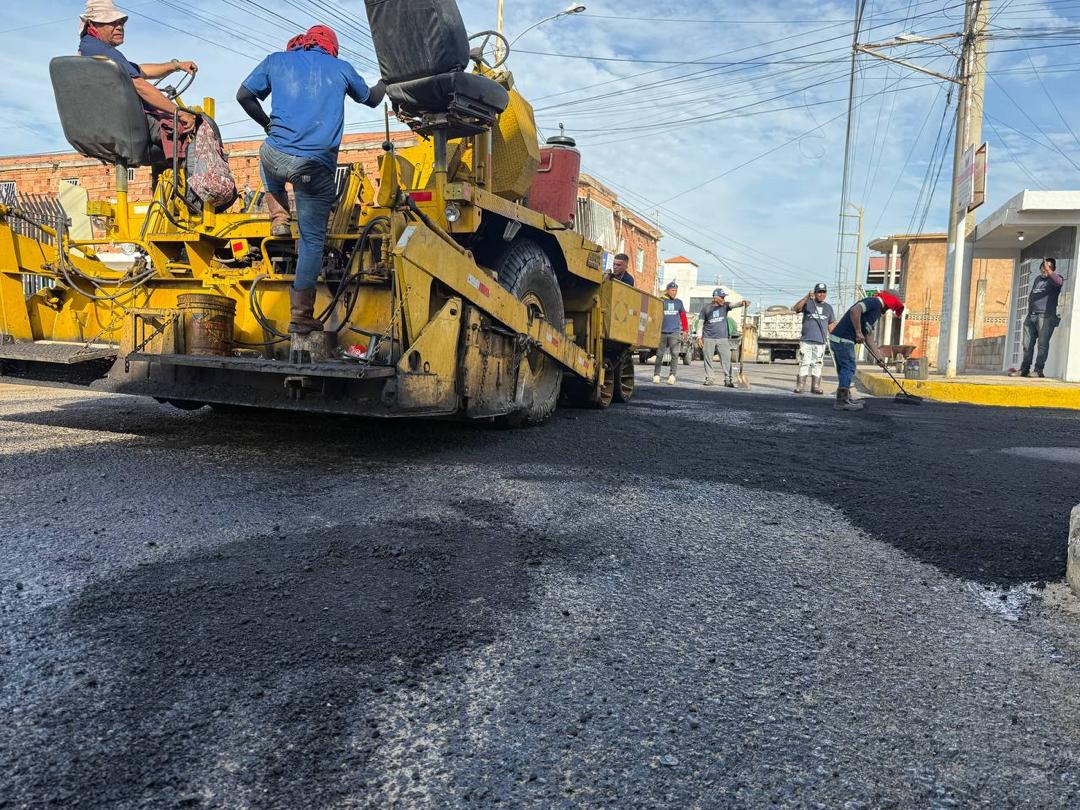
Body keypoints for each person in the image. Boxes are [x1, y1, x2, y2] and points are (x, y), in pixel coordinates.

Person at [237, 26, 385, 334]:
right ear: (331, 46)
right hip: (314, 170)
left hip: (274, 158)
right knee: (311, 242)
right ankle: (301, 315)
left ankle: (278, 217)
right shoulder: (341, 68)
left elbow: (243, 95)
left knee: (267, 153)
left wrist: (267, 124)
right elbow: (371, 99)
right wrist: (387, 80)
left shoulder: (276, 60)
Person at [77, 1, 199, 152]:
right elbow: (141, 86)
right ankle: (205, 175)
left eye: (121, 22)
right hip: (127, 125)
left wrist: (175, 65)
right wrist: (179, 112)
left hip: (108, 125)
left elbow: (139, 70)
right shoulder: (105, 52)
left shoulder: (90, 48)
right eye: (111, 22)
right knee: (197, 129)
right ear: (92, 25)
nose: (119, 27)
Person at [828, 290, 904, 411]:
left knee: (844, 369)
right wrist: (858, 332)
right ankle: (841, 401)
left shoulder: (877, 311)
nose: (889, 310)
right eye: (891, 307)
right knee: (848, 367)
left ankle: (845, 397)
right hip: (843, 339)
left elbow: (868, 336)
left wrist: (878, 357)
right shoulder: (873, 302)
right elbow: (855, 310)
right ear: (889, 302)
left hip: (840, 339)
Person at [1016, 257, 1064, 378]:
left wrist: (1049, 271)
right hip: (1031, 315)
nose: (1045, 269)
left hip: (1045, 316)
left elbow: (1059, 282)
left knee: (1042, 345)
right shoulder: (1037, 278)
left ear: (1053, 269)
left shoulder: (1056, 279)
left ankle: (1038, 370)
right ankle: (1024, 369)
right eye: (1043, 266)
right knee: (1027, 344)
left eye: (1048, 267)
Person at [696, 288, 750, 388]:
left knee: (726, 359)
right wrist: (699, 337)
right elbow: (700, 323)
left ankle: (728, 380)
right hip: (708, 338)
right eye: (721, 297)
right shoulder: (706, 308)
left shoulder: (725, 306)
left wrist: (742, 303)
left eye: (724, 297)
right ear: (715, 298)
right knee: (708, 359)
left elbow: (733, 305)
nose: (723, 299)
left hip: (723, 338)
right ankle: (709, 378)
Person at [792, 282, 836, 394]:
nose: (821, 294)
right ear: (815, 293)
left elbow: (831, 326)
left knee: (818, 363)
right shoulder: (808, 304)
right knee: (804, 362)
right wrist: (806, 297)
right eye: (819, 292)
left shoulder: (828, 308)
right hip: (806, 340)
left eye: (823, 292)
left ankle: (815, 386)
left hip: (820, 341)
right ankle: (800, 386)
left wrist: (837, 338)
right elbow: (796, 308)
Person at [653, 281, 688, 385]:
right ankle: (656, 375)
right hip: (662, 331)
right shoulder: (661, 301)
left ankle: (672, 375)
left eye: (676, 291)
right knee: (659, 354)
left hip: (674, 331)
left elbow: (683, 317)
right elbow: (655, 315)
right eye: (672, 290)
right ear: (668, 290)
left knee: (675, 354)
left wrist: (685, 330)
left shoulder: (679, 302)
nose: (674, 292)